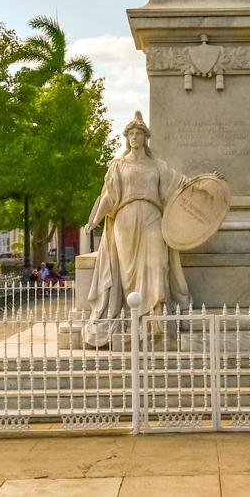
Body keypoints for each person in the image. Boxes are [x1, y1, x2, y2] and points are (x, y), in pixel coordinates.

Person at [82, 111, 193, 347]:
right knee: (128, 273)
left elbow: (180, 184)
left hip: (152, 216)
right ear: (127, 138)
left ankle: (157, 323)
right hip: (125, 218)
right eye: (131, 134)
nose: (134, 138)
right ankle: (134, 322)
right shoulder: (118, 165)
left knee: (157, 264)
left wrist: (206, 184)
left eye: (138, 134)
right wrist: (94, 220)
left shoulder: (158, 165)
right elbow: (109, 196)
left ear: (145, 138)